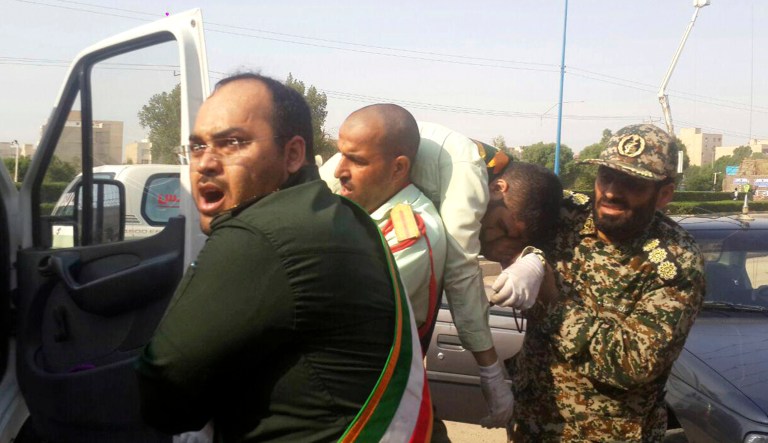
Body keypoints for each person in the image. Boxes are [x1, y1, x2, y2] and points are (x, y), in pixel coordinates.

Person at [135, 73, 433, 442]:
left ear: (292, 154)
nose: (205, 163)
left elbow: (163, 400)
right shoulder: (342, 217)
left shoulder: (262, 233)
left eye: (232, 143)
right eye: (196, 147)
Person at [503, 124, 706, 442]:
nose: (611, 191)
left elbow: (635, 364)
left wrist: (554, 304)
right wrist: (523, 256)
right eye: (606, 176)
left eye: (631, 183)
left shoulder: (676, 262)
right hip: (532, 424)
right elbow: (499, 189)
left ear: (664, 194)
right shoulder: (566, 215)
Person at [321, 121, 515, 428]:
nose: (493, 236)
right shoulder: (468, 170)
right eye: (502, 227)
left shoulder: (414, 215)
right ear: (498, 188)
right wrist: (489, 368)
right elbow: (461, 268)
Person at [330, 103, 447, 352]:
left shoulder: (411, 233)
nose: (339, 171)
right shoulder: (359, 208)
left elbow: (340, 312)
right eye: (341, 155)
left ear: (398, 168)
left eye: (357, 161)